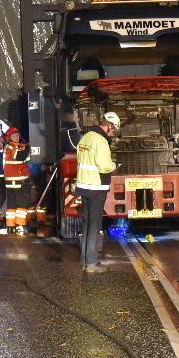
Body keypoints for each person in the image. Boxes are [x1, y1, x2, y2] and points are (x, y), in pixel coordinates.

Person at [75, 112, 120, 273]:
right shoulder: (101, 141)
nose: (112, 133)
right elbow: (104, 166)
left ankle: (86, 260)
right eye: (113, 130)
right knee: (94, 225)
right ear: (110, 125)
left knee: (87, 225)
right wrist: (114, 165)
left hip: (84, 186)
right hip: (96, 187)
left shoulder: (86, 137)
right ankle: (91, 263)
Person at [2, 126, 32, 235]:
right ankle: (20, 226)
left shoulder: (10, 147)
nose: (16, 137)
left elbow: (25, 158)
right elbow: (20, 157)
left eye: (17, 135)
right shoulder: (12, 147)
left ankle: (10, 227)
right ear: (9, 138)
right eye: (14, 136)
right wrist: (29, 146)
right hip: (19, 180)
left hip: (10, 181)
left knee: (12, 204)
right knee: (22, 203)